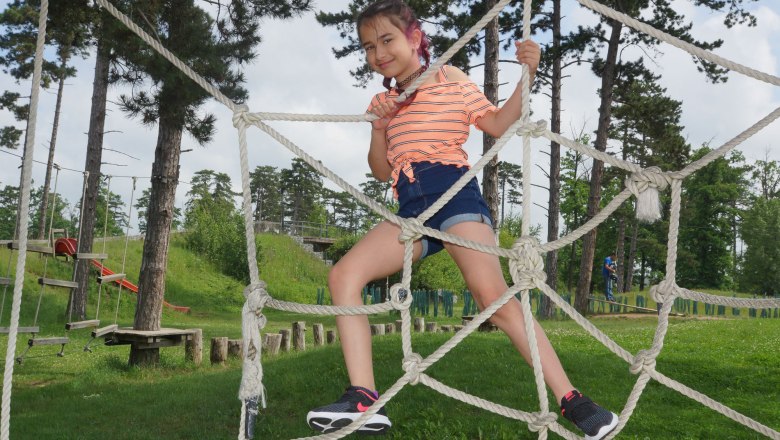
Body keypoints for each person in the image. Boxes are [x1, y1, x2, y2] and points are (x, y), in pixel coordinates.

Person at [306, 1, 618, 439]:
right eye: (368, 46)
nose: (378, 53)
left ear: (414, 37)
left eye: (387, 40)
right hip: (411, 206)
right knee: (344, 276)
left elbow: (496, 123)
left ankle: (574, 400)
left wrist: (527, 75)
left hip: (454, 197)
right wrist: (379, 129)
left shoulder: (449, 79)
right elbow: (381, 170)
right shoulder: (383, 100)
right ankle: (363, 397)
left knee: (493, 296)